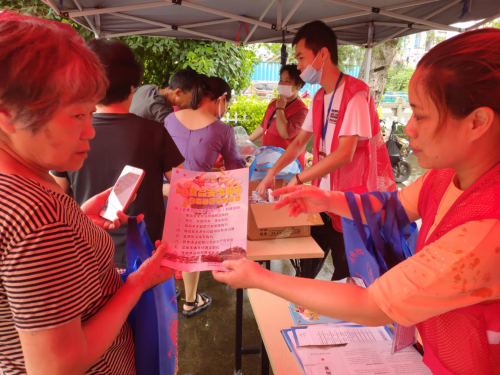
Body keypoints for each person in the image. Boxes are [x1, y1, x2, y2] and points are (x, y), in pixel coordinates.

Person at [214, 28, 500, 375]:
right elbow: (392, 207)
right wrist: (327, 197)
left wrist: (258, 277)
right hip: (431, 349)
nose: (408, 128)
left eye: (420, 115)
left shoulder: (487, 228)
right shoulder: (443, 176)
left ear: (478, 122)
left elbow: (372, 303)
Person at [0, 12, 173, 374]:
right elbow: (58, 367)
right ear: (8, 115)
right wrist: (137, 283)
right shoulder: (37, 217)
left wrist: (78, 221)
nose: (90, 131)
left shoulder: (23, 186)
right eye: (78, 115)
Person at [257, 21, 395, 280]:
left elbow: (345, 153)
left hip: (351, 205)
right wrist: (271, 174)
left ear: (322, 54)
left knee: (346, 278)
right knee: (305, 268)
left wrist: (299, 179)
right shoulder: (320, 97)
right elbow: (299, 142)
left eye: (301, 57)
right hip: (323, 199)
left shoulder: (356, 94)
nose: (298, 66)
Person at [51, 38, 185, 270]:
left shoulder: (69, 134)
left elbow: (54, 197)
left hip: (88, 253)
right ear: (132, 88)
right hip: (146, 252)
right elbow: (184, 189)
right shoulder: (153, 132)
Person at [165, 76, 246, 317]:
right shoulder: (222, 129)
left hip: (164, 192)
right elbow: (235, 169)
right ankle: (191, 301)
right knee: (190, 250)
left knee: (166, 246)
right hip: (194, 199)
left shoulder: (170, 119)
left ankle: (167, 295)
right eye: (227, 103)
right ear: (221, 99)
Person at [248, 65, 308, 168]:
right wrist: (247, 141)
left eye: (287, 81)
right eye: (281, 80)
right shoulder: (273, 103)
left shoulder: (301, 110)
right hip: (267, 158)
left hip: (288, 164)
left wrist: (280, 109)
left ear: (299, 86)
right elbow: (263, 126)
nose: (282, 84)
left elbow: (285, 133)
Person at [130, 67, 199, 123]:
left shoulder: (148, 87)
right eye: (192, 98)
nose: (192, 103)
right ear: (178, 92)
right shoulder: (163, 112)